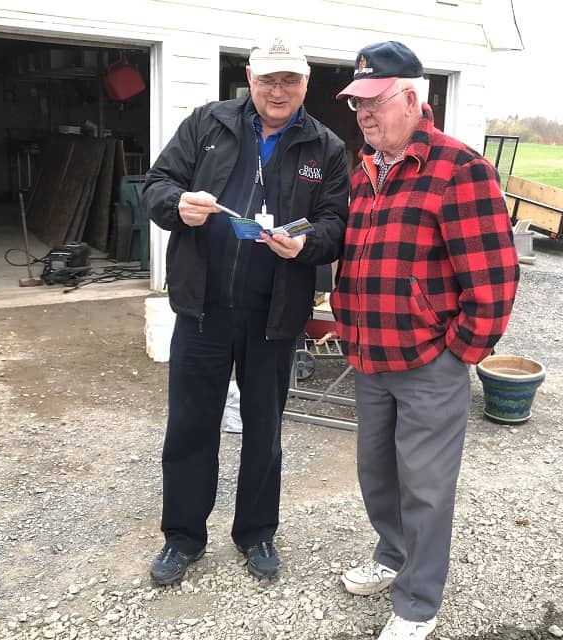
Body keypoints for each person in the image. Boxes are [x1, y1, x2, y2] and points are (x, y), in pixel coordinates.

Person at [142, 34, 349, 584]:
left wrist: (307, 244)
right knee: (190, 426)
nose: (278, 90)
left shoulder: (326, 146)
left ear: (306, 84)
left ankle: (256, 532)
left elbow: (337, 224)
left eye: (290, 81)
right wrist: (176, 207)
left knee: (264, 428)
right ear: (250, 80)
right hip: (203, 309)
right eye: (267, 80)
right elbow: (158, 185)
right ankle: (182, 538)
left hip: (273, 316)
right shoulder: (207, 123)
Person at [331, 41, 519, 639]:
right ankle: (392, 557)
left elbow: (494, 278)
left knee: (426, 487)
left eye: (373, 101)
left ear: (412, 98)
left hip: (428, 364)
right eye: (356, 103)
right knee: (377, 472)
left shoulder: (458, 169)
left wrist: (459, 351)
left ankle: (418, 604)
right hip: (369, 355)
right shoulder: (364, 171)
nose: (362, 114)